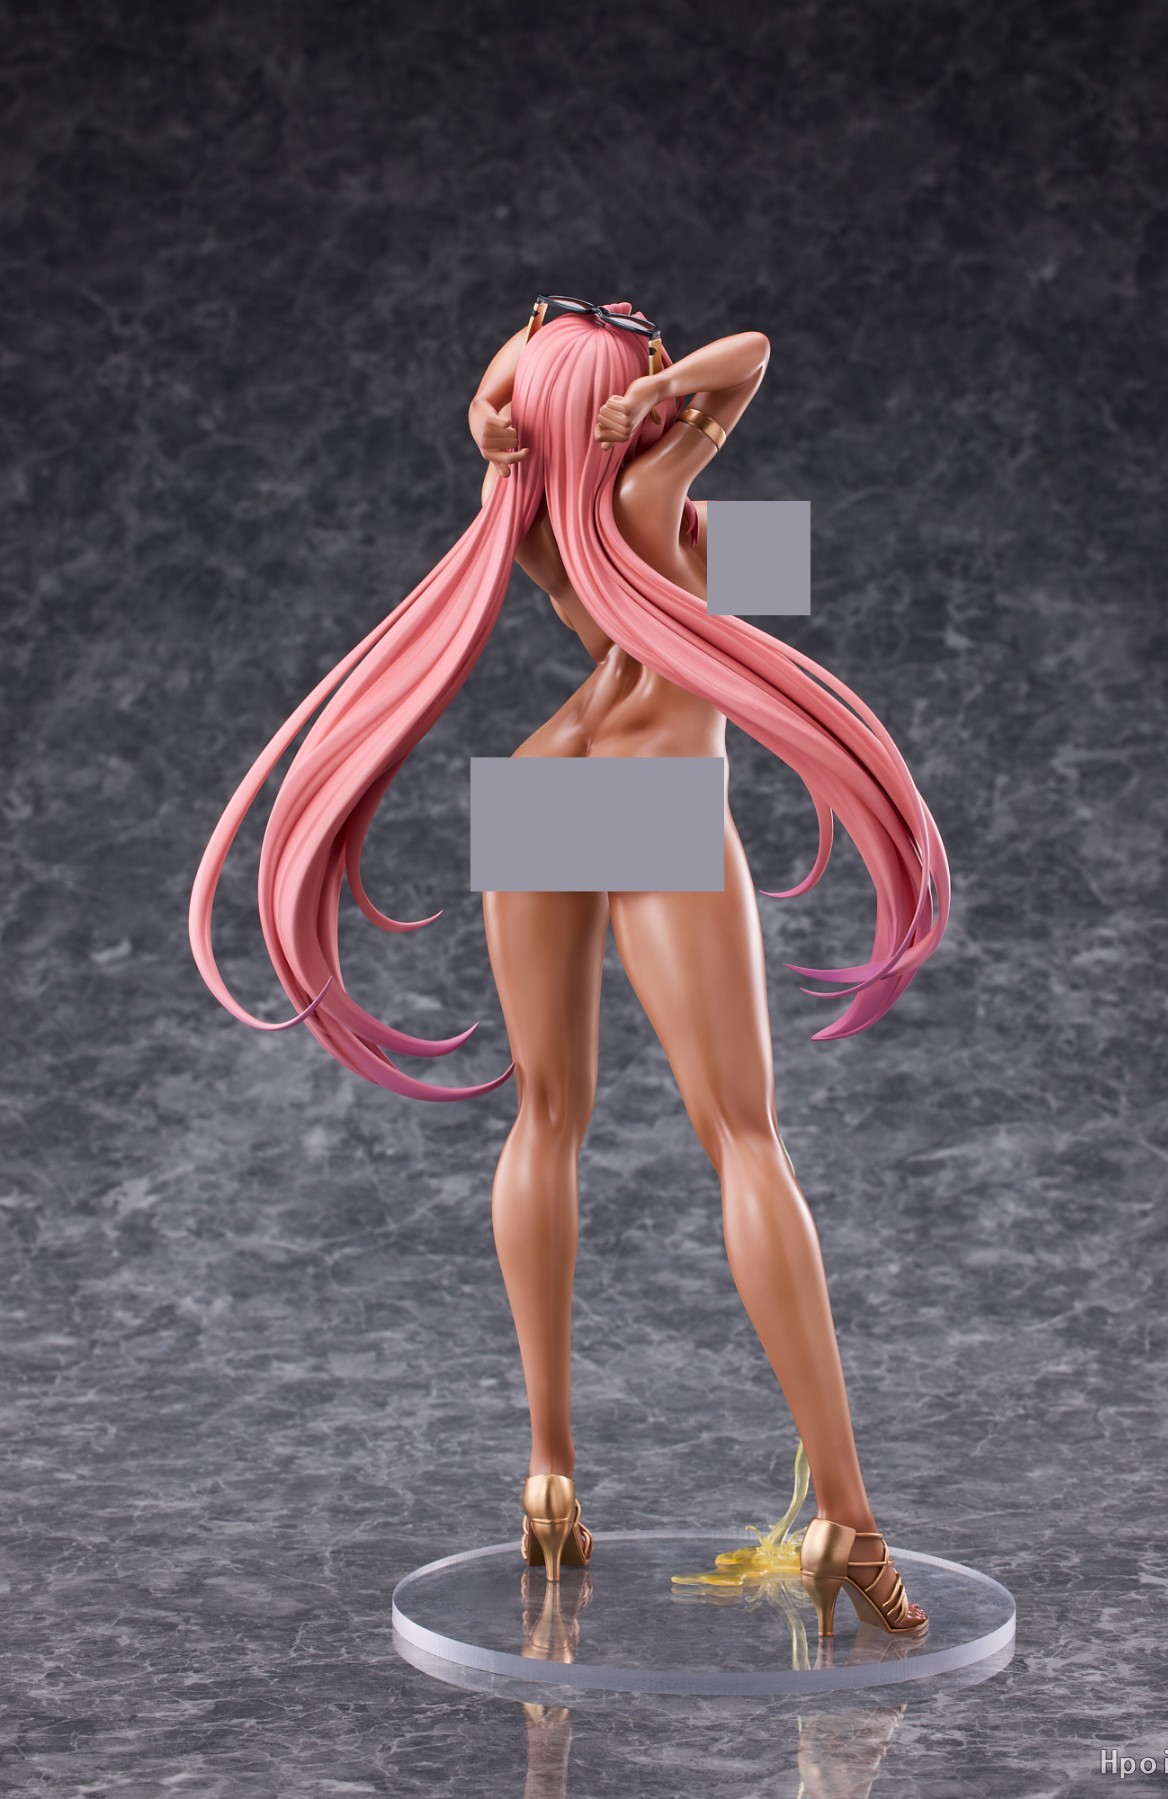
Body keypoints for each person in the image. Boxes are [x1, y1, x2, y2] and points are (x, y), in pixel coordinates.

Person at [189, 295, 950, 1635]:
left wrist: (503, 413)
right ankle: (850, 1512)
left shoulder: (536, 529)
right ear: (628, 397)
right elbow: (754, 355)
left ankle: (548, 1471)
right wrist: (652, 399)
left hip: (550, 774)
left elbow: (541, 416)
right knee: (744, 1139)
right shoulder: (653, 491)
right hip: (656, 791)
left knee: (545, 1117)